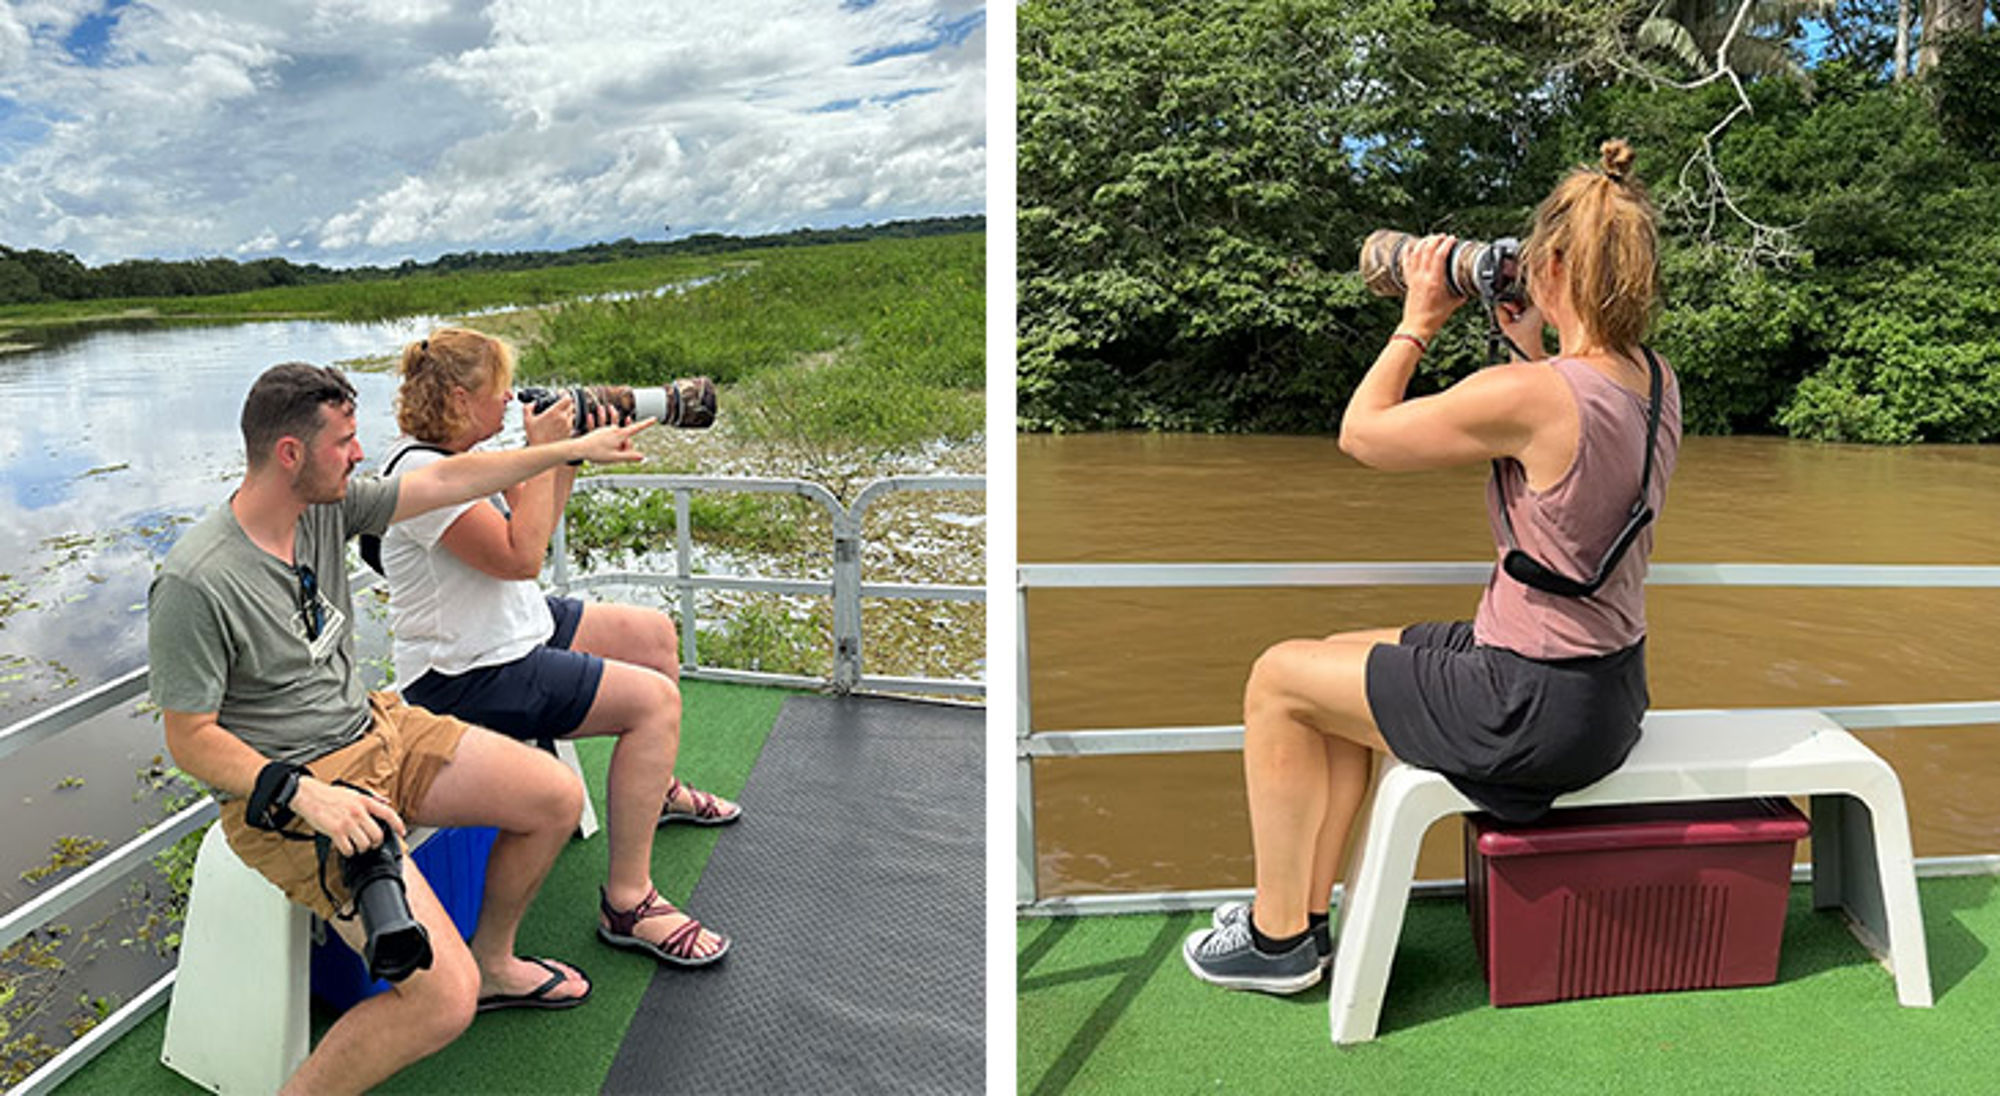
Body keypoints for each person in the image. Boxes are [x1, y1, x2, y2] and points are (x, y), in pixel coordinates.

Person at [1182, 139, 1684, 994]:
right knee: (1337, 661)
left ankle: (1275, 944)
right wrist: (1529, 343)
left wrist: (1418, 317)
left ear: (1552, 266)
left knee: (1276, 681)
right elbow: (1571, 446)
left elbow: (1363, 434)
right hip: (1606, 691)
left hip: (1529, 705)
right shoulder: (1654, 379)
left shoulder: (1533, 395)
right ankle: (1299, 918)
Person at [149, 362, 655, 1095]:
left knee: (551, 796)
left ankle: (494, 965)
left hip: (377, 730)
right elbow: (190, 737)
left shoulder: (325, 507)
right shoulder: (197, 581)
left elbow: (445, 484)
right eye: (346, 441)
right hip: (297, 790)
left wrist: (558, 453)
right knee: (437, 1003)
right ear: (290, 453)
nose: (361, 455)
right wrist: (304, 796)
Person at [376, 328, 734, 967]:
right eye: (498, 391)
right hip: (465, 670)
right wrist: (548, 448)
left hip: (510, 627)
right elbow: (521, 557)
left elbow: (535, 520)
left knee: (652, 634)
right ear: (460, 398)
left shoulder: (466, 454)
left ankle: (655, 790)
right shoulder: (424, 475)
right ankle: (629, 901)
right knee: (652, 703)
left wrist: (562, 459)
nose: (511, 398)